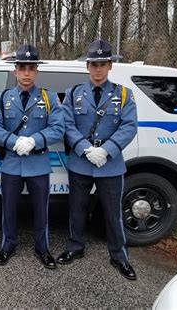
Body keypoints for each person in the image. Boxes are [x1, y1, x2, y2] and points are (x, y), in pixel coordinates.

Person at [56, 39, 138, 280]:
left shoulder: (124, 94)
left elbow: (129, 126)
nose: (98, 69)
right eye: (93, 64)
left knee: (113, 213)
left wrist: (107, 150)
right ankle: (75, 247)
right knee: (76, 209)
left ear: (110, 66)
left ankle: (119, 256)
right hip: (81, 162)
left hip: (110, 164)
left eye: (103, 64)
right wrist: (85, 148)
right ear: (87, 66)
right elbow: (67, 125)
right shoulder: (73, 94)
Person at [0, 44, 65, 269]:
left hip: (38, 163)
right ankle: (7, 245)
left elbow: (58, 128)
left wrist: (34, 140)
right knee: (8, 209)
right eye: (22, 68)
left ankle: (43, 248)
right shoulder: (2, 98)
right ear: (15, 71)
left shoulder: (49, 98)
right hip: (11, 163)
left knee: (41, 211)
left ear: (37, 71)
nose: (27, 73)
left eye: (31, 68)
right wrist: (14, 142)